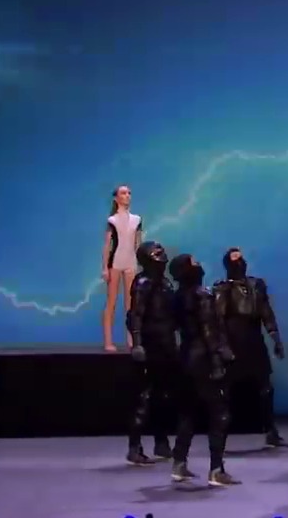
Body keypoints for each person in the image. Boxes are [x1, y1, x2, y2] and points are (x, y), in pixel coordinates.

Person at [170, 253, 239, 487]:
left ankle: (179, 464)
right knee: (219, 414)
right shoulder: (203, 295)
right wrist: (218, 361)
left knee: (188, 412)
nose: (199, 264)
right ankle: (216, 470)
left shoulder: (177, 296)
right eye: (194, 262)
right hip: (204, 360)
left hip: (186, 357)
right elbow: (209, 330)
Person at [213, 247, 288, 449]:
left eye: (241, 258)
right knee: (226, 390)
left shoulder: (256, 285)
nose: (240, 262)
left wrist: (275, 338)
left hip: (254, 341)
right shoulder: (222, 288)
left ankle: (271, 430)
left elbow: (266, 313)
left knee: (266, 387)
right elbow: (217, 321)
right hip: (233, 340)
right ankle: (220, 434)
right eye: (235, 259)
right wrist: (223, 347)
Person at [125, 241, 178, 466]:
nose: (162, 257)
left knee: (164, 395)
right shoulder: (143, 283)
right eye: (157, 254)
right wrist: (137, 343)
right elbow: (136, 314)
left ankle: (161, 442)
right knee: (145, 396)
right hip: (151, 344)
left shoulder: (165, 284)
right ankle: (134, 447)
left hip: (167, 343)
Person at [101, 185, 143, 351]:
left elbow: (138, 244)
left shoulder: (137, 219)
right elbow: (107, 246)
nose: (127, 196)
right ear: (116, 198)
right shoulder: (112, 220)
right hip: (116, 263)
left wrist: (141, 264)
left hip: (131, 262)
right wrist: (105, 267)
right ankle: (108, 341)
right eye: (123, 193)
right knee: (111, 302)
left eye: (129, 193)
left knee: (131, 303)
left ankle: (131, 339)